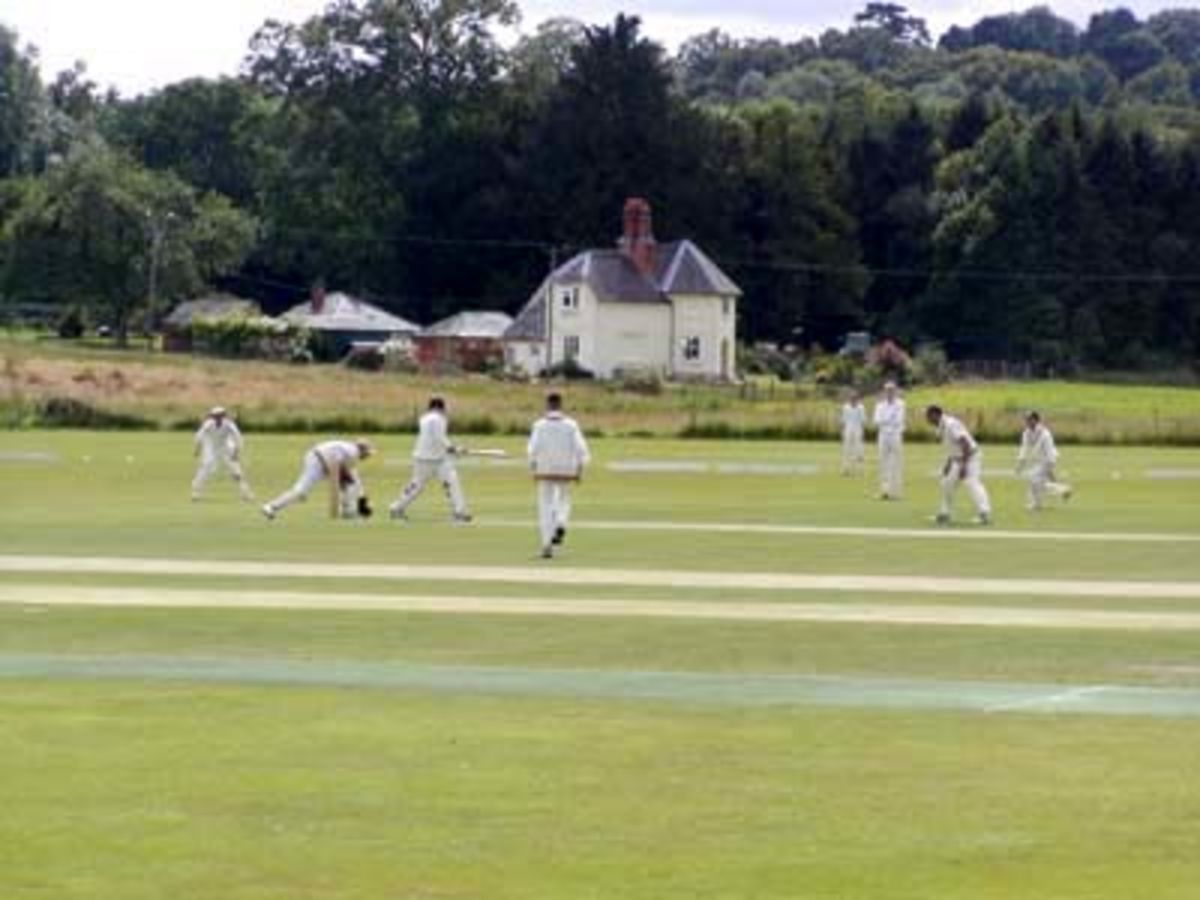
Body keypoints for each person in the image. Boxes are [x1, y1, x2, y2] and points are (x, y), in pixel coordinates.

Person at [389, 397, 472, 523]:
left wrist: (453, 451)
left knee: (418, 485)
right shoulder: (439, 419)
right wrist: (453, 449)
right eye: (444, 408)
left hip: (426, 457)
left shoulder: (424, 418)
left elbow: (435, 439)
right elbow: (439, 437)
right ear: (439, 407)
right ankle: (459, 513)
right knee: (450, 483)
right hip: (432, 459)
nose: (445, 410)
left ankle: (396, 508)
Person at [527, 393, 590, 559]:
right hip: (566, 470)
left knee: (545, 506)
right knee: (563, 499)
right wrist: (580, 469)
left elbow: (532, 449)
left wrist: (532, 467)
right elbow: (581, 449)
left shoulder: (539, 425)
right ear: (560, 405)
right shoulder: (571, 425)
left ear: (547, 405)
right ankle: (561, 523)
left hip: (545, 469)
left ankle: (546, 545)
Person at [261, 438, 373, 520]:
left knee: (351, 482)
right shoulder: (353, 452)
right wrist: (343, 480)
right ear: (362, 450)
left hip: (318, 458)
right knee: (300, 491)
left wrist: (361, 501)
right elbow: (337, 464)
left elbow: (352, 478)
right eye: (367, 453)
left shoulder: (348, 448)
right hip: (318, 461)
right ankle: (270, 507)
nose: (367, 456)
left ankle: (349, 511)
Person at [925, 405, 991, 526]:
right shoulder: (940, 427)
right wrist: (948, 463)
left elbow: (965, 443)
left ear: (935, 414)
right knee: (946, 483)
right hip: (958, 459)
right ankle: (945, 514)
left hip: (971, 457)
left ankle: (984, 514)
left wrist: (964, 466)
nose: (927, 419)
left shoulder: (951, 424)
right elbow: (952, 447)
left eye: (928, 416)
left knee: (972, 483)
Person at [191, 406, 253, 501]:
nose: (218, 418)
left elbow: (238, 437)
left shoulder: (229, 424)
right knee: (205, 468)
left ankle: (245, 493)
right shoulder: (208, 424)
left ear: (223, 416)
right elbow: (199, 436)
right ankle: (196, 493)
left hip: (226, 447)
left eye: (220, 416)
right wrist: (197, 449)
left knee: (236, 471)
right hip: (211, 448)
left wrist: (236, 452)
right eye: (215, 416)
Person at [1016, 410, 1072, 511]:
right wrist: (1020, 464)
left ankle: (1036, 505)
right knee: (1039, 483)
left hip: (1049, 459)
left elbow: (1049, 451)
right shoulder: (1026, 433)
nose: (1027, 422)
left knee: (1033, 478)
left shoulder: (1045, 433)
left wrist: (1049, 468)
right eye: (1026, 419)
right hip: (1040, 461)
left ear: (1036, 420)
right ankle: (1064, 490)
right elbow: (1024, 449)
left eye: (1030, 419)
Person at [872, 381, 906, 499]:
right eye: (887, 390)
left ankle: (896, 492)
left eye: (892, 390)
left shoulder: (900, 404)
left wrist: (886, 420)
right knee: (882, 463)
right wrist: (888, 420)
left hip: (895, 435)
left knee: (896, 463)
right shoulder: (880, 405)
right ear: (884, 391)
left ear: (895, 391)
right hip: (883, 436)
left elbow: (899, 420)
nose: (889, 392)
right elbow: (876, 421)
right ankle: (884, 491)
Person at [840, 391, 867, 476]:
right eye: (852, 398)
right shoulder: (846, 407)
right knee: (846, 449)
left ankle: (860, 469)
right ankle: (846, 469)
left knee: (859, 450)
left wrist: (862, 432)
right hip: (848, 429)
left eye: (855, 398)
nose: (853, 400)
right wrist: (843, 431)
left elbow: (863, 420)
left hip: (858, 430)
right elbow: (843, 420)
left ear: (857, 399)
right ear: (849, 399)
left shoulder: (861, 407)